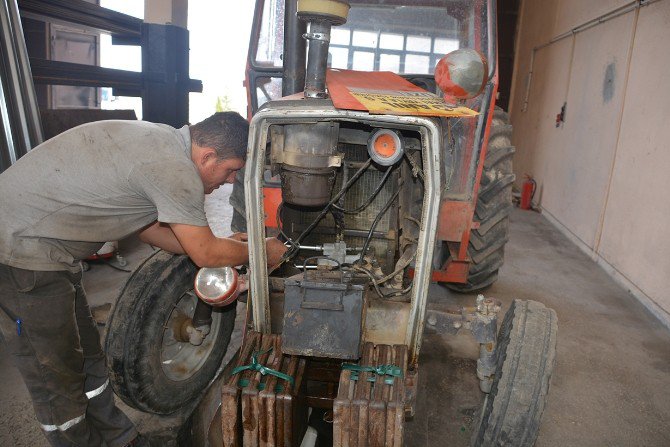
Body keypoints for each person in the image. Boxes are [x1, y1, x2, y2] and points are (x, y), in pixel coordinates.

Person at [0, 111, 286, 447]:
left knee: (87, 354)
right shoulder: (175, 169)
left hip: (50, 254)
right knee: (56, 376)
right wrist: (261, 252)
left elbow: (153, 231)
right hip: (20, 254)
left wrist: (227, 247)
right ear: (209, 156)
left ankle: (118, 438)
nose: (229, 181)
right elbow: (205, 253)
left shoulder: (163, 143)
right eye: (231, 170)